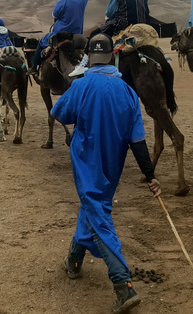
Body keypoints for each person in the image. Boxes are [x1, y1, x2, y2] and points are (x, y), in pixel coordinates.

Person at [51, 34, 161, 313]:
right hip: (113, 166)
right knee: (93, 206)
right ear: (112, 56)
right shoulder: (128, 92)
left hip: (87, 161)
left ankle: (123, 284)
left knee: (96, 212)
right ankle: (74, 261)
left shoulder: (82, 84)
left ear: (91, 57)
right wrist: (150, 176)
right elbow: (138, 141)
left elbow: (59, 112)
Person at [69, 0, 149, 77]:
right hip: (143, 26)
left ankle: (82, 65)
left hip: (124, 26)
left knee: (94, 35)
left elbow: (111, 11)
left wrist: (107, 18)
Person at [30, 0, 91, 74]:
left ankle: (34, 66)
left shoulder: (62, 2)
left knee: (42, 42)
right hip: (77, 35)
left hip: (60, 35)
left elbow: (54, 15)